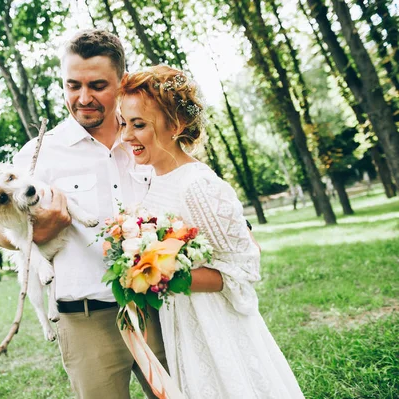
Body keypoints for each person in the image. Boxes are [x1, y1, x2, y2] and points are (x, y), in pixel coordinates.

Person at [0, 30, 168, 398]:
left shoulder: (148, 139)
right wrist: (37, 234)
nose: (83, 98)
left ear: (122, 83)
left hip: (159, 309)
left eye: (97, 85)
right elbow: (0, 233)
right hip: (86, 320)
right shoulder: (39, 154)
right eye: (73, 85)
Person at [119, 65, 304, 398]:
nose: (126, 136)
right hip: (182, 323)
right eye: (124, 124)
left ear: (174, 125)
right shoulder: (154, 182)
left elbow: (243, 268)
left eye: (138, 125)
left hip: (218, 326)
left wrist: (161, 273)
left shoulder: (198, 185)